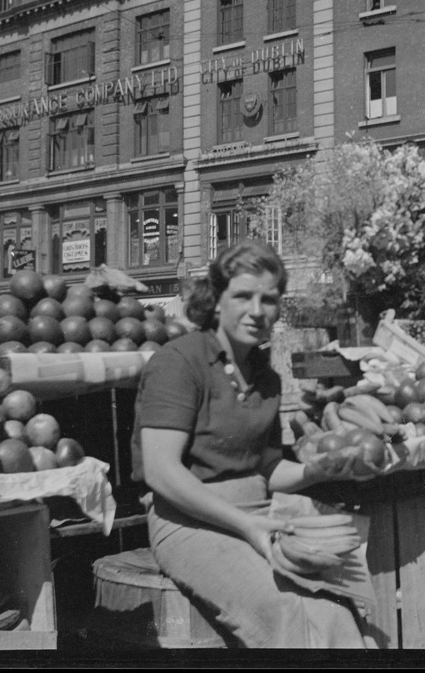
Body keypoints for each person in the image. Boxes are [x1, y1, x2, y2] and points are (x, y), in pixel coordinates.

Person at [130, 240, 367, 648]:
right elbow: (161, 471)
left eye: (269, 299)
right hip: (188, 522)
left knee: (335, 609)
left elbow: (267, 469)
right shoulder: (179, 361)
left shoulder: (266, 377)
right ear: (217, 300)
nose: (257, 311)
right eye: (243, 296)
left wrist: (316, 470)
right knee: (283, 612)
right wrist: (247, 525)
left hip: (259, 514)